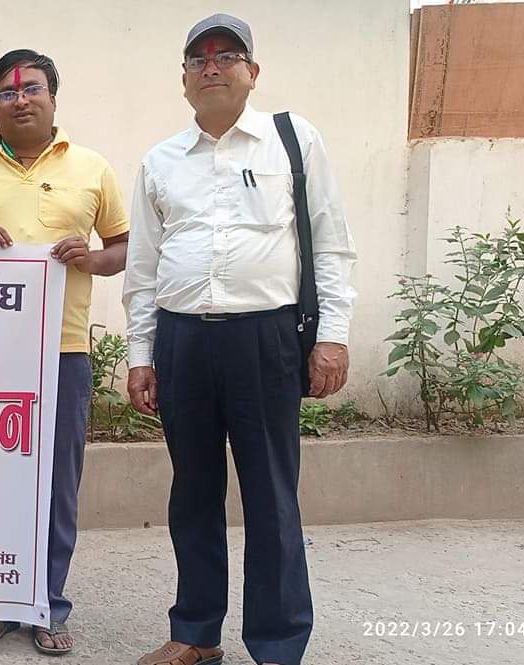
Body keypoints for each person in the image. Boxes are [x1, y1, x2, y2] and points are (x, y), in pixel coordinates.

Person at [122, 14, 357, 665]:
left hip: (265, 339)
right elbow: (142, 269)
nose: (212, 66)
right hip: (182, 341)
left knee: (271, 493)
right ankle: (196, 632)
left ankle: (278, 644)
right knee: (193, 490)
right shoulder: (161, 161)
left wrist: (332, 337)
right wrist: (141, 355)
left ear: (252, 72)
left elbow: (331, 245)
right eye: (198, 58)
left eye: (227, 55)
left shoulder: (292, 141)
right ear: (184, 80)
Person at [0, 49, 129, 656]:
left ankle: (48, 603)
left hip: (63, 351)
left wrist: (92, 258)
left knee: (57, 482)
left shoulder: (93, 168)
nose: (20, 100)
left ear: (53, 98)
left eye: (32, 89)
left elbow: (124, 247)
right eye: (7, 92)